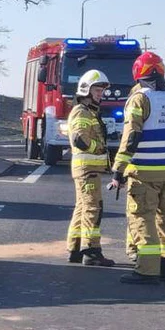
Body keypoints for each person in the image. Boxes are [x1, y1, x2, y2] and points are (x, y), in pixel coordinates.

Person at [110, 52, 165, 285]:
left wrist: (118, 169)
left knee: (142, 217)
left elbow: (131, 135)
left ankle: (147, 269)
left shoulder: (139, 99)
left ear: (138, 73)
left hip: (143, 171)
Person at [66, 69, 115, 266]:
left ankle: (75, 249)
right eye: (97, 89)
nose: (100, 93)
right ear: (86, 89)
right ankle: (92, 250)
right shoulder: (81, 111)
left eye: (102, 90)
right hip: (87, 170)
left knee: (82, 208)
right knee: (93, 208)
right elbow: (80, 140)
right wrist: (100, 148)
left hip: (88, 169)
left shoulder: (90, 112)